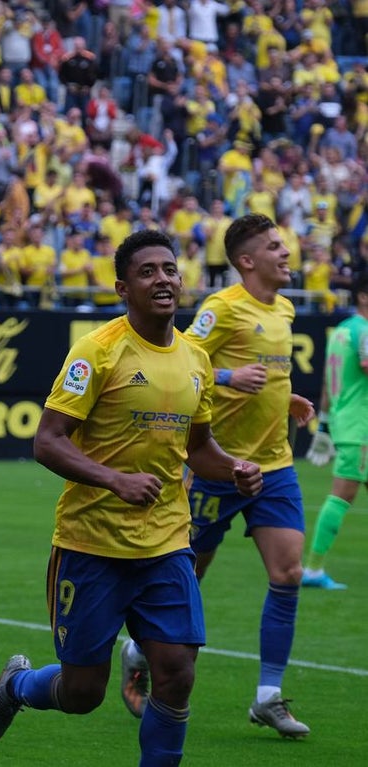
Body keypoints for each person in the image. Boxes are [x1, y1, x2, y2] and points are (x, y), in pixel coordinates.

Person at [0, 230, 263, 766]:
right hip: (92, 547)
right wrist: (115, 479)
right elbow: (47, 441)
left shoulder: (197, 360)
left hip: (166, 546)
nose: (163, 279)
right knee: (84, 694)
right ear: (121, 288)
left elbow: (198, 449)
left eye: (170, 269)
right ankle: (18, 686)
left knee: (176, 672)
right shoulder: (97, 351)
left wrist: (235, 468)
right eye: (148, 271)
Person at [120, 214, 315, 739]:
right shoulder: (221, 308)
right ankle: (138, 650)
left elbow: (268, 369)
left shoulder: (287, 308)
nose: (286, 252)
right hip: (218, 465)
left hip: (272, 464)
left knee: (288, 573)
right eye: (276, 246)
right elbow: (184, 355)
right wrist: (228, 376)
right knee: (190, 578)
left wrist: (283, 392)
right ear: (247, 260)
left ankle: (268, 695)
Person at [301, 273, 368, 590]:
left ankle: (314, 569)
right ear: (363, 296)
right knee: (342, 494)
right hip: (361, 427)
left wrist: (325, 425)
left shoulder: (342, 331)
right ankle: (313, 569)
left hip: (346, 421)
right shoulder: (365, 331)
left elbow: (328, 381)